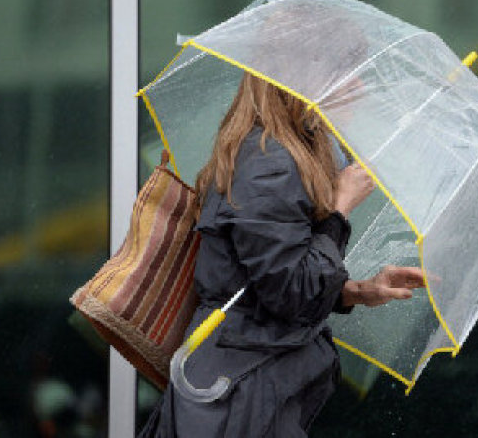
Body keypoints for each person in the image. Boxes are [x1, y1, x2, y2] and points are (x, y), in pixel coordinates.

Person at [138, 72, 425, 437]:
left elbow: (263, 278)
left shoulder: (272, 158)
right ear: (305, 83)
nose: (360, 88)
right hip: (242, 392)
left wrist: (353, 292)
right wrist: (338, 211)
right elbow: (291, 292)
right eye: (348, 76)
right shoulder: (268, 163)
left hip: (246, 382)